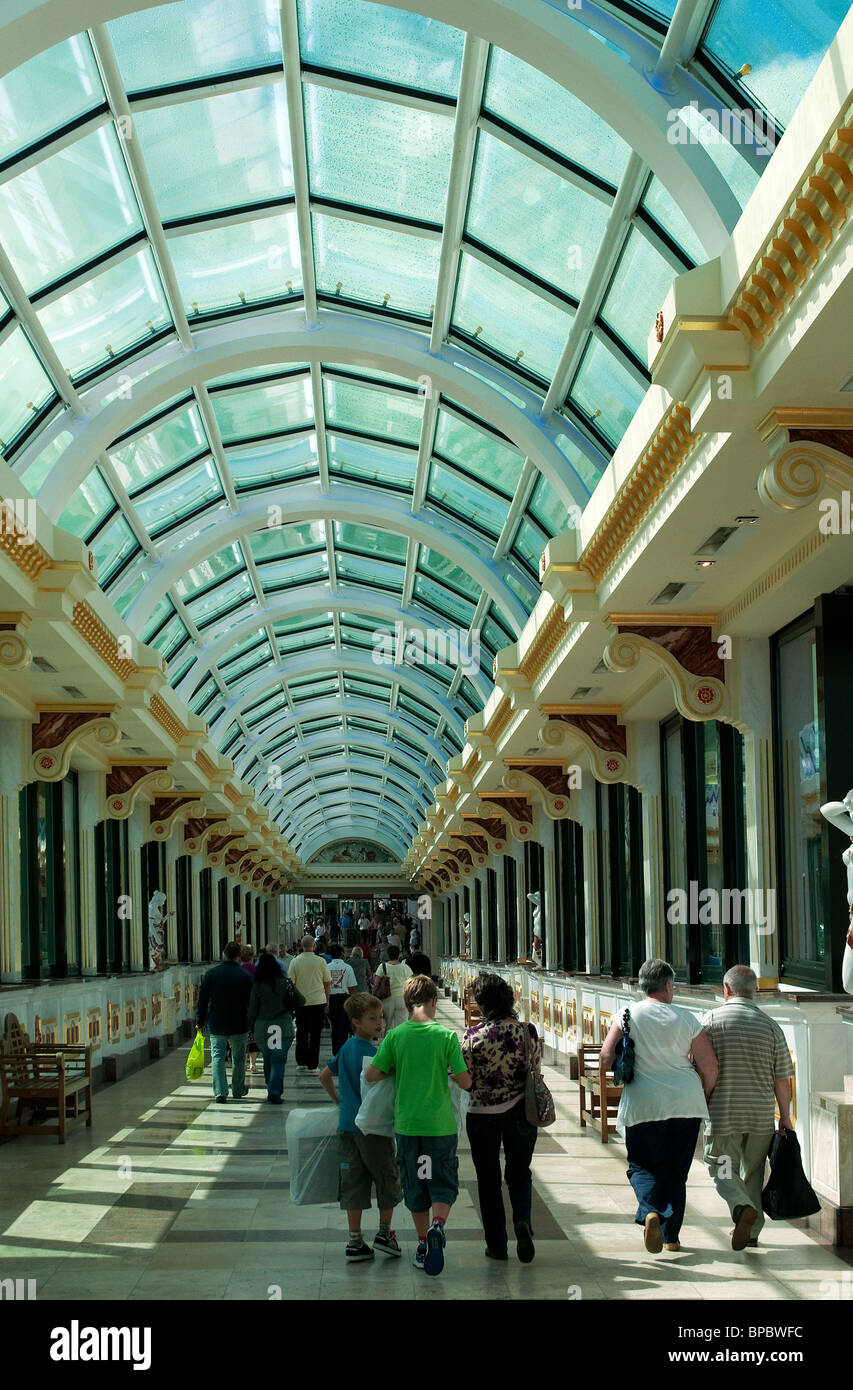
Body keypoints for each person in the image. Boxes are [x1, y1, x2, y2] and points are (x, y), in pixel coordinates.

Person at [600, 958, 718, 1253]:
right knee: (677, 1172)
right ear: (668, 985)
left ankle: (650, 1211)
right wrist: (701, 1096)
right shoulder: (686, 1018)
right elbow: (710, 1066)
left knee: (642, 1164)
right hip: (685, 1103)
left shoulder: (626, 1014)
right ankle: (671, 1238)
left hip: (644, 1103)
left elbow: (605, 1057)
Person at [366, 975, 471, 1276]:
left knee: (416, 1183)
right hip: (440, 1126)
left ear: (407, 1003)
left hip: (408, 1125)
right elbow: (466, 1081)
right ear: (434, 1001)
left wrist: (397, 1067)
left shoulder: (396, 1037)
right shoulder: (447, 1037)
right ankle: (439, 1226)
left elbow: (373, 1074)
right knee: (442, 1180)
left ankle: (424, 1244)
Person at [700, 964, 795, 1249]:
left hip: (723, 1114)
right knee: (753, 1172)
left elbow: (702, 1067)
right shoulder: (771, 1027)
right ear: (755, 991)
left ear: (726, 989)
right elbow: (782, 1079)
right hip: (759, 1117)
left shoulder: (711, 1021)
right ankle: (751, 1231)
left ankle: (741, 1206)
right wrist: (785, 1118)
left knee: (722, 1166)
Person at [318, 993, 403, 1261]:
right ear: (356, 1022)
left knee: (353, 1182)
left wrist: (340, 1101)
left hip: (347, 1127)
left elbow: (324, 1075)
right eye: (372, 1019)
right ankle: (385, 1233)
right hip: (374, 1128)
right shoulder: (375, 1054)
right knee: (386, 1177)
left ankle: (355, 1240)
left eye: (380, 1017)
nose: (379, 1023)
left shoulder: (346, 1048)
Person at [462, 972, 540, 1263]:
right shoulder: (526, 1031)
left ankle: (496, 1244)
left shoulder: (473, 1037)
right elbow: (534, 1067)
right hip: (522, 1111)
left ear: (483, 1004)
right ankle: (521, 1220)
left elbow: (465, 1079)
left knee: (488, 1178)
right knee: (520, 1173)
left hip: (483, 1114)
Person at [196, 942, 252, 1103]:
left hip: (217, 1022)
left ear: (223, 954)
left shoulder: (211, 974)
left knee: (218, 1057)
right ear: (239, 956)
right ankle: (238, 1089)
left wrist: (200, 1021)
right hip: (239, 1022)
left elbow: (203, 1001)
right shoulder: (244, 976)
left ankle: (220, 1092)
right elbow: (251, 1002)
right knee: (239, 1058)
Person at [248, 953, 304, 1103]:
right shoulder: (286, 982)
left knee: (267, 1058)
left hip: (262, 1029)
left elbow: (252, 1010)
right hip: (282, 1027)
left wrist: (249, 1027)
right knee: (278, 1060)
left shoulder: (257, 986)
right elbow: (301, 1000)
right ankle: (275, 1091)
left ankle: (271, 1087)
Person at [288, 935, 332, 1074]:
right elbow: (327, 983)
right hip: (318, 1001)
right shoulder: (321, 961)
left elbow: (291, 983)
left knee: (301, 1032)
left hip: (301, 1003)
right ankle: (313, 1064)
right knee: (315, 1034)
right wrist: (327, 1000)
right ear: (314, 946)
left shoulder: (295, 962)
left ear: (302, 946)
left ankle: (301, 1062)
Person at [327, 943, 358, 1054]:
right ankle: (342, 1051)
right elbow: (352, 988)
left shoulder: (327, 967)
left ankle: (335, 1051)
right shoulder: (347, 968)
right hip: (344, 999)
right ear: (341, 954)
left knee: (334, 1026)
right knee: (344, 1026)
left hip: (331, 999)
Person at [374, 945, 413, 1033]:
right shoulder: (405, 967)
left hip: (387, 998)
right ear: (399, 955)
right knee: (402, 1024)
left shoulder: (382, 966)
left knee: (389, 1024)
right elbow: (411, 983)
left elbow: (376, 984)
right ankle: (401, 1042)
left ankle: (390, 1042)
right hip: (402, 998)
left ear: (388, 955)